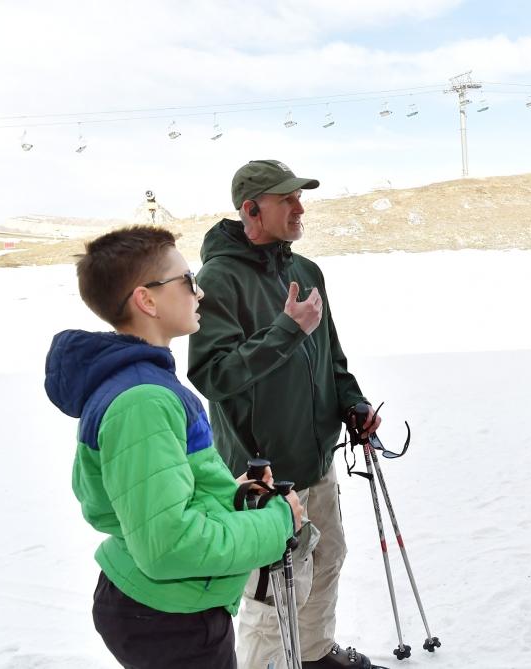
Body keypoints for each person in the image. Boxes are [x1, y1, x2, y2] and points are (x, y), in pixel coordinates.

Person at [44, 225, 303, 669]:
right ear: (147, 300)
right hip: (169, 617)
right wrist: (281, 520)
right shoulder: (143, 399)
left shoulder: (142, 385)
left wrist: (226, 491)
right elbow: (168, 546)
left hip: (166, 608)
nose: (198, 293)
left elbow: (150, 492)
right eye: (187, 281)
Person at [187, 160, 382, 669]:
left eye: (300, 197)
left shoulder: (305, 271)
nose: (300, 207)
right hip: (261, 471)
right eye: (287, 199)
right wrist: (286, 331)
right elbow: (213, 374)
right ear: (252, 209)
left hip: (315, 458)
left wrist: (352, 402)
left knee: (326, 559)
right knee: (272, 590)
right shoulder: (217, 279)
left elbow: (330, 357)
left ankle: (315, 655)